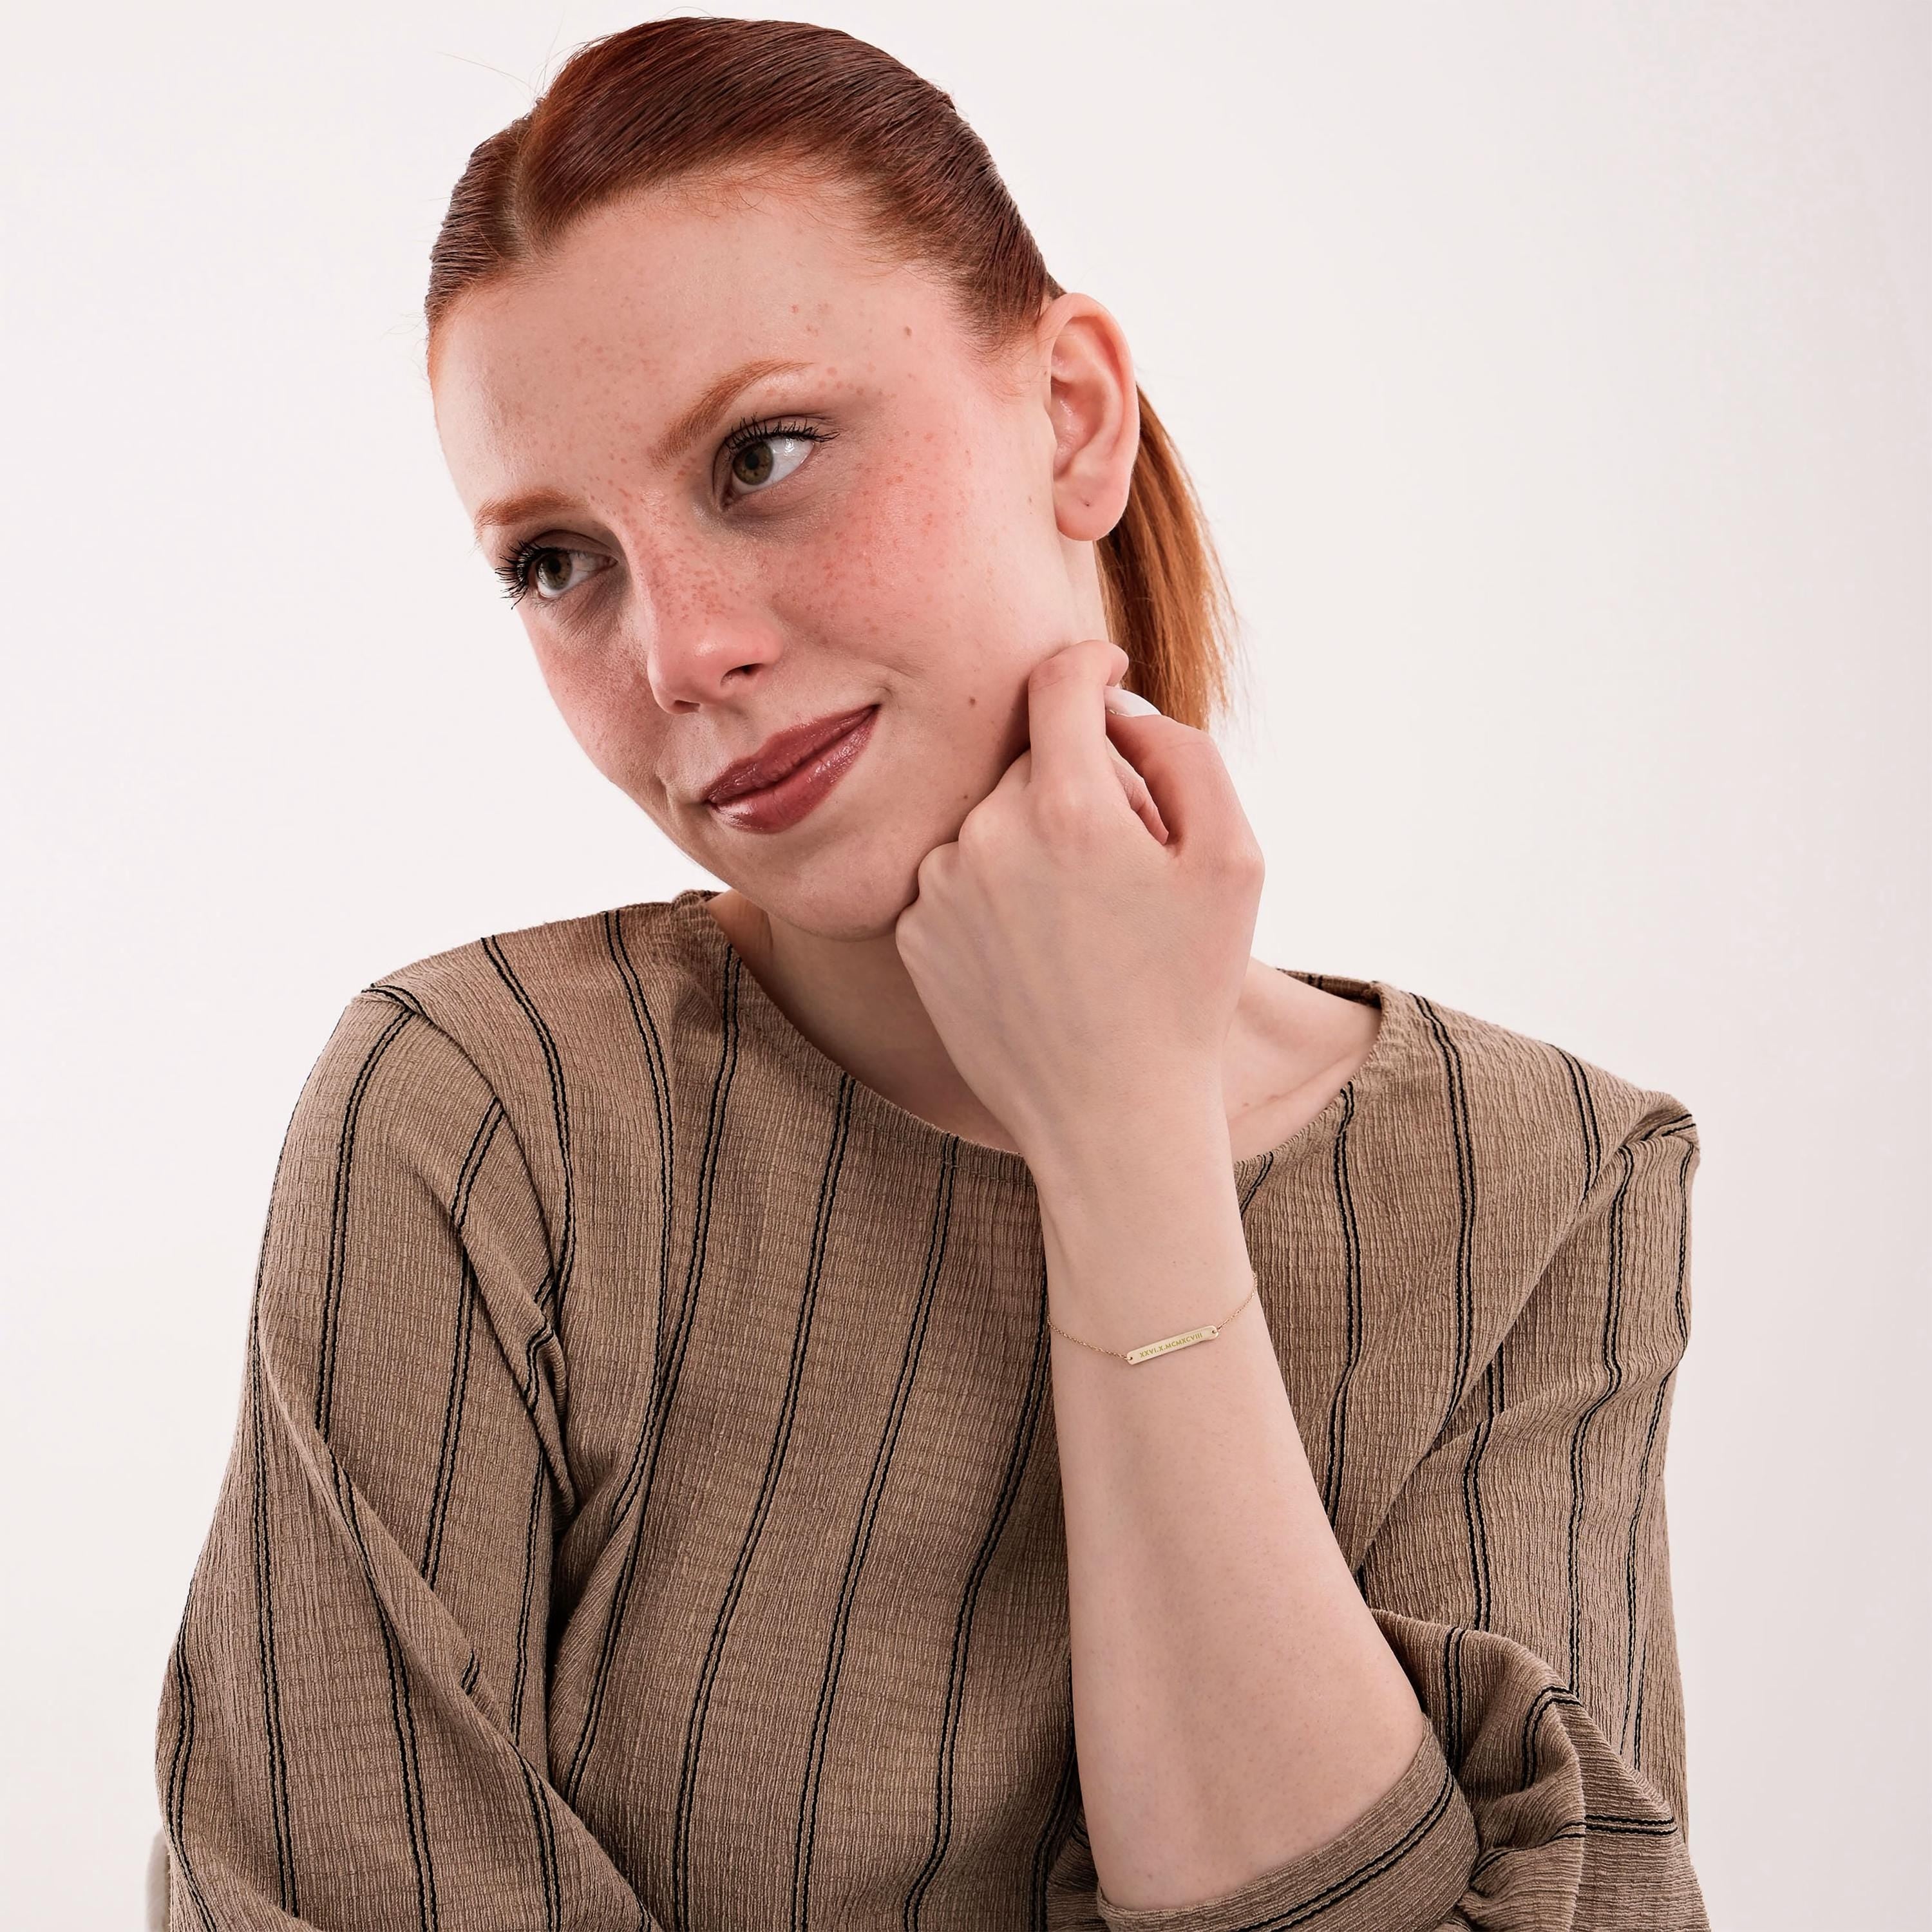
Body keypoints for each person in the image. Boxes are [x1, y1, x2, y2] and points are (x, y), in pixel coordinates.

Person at [151, 17, 1709, 1930]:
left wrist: (1122, 1136)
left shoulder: (1547, 1183)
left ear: (1071, 416)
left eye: (765, 453)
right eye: (559, 564)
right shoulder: (480, 1122)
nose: (679, 654)